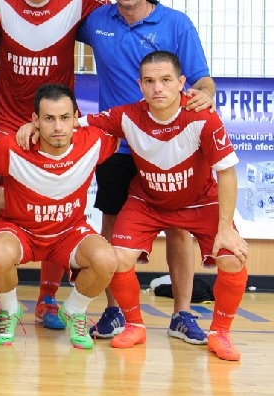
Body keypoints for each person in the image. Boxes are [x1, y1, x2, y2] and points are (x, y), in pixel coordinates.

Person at [77, 0, 217, 343]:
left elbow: (204, 80)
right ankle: (114, 311)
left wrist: (203, 97)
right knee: (111, 225)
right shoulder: (97, 22)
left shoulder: (176, 23)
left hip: (169, 147)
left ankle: (182, 314)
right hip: (120, 146)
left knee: (177, 228)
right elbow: (48, 17)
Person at [79, 52, 247, 361]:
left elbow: (227, 172)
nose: (158, 88)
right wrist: (34, 128)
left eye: (166, 80)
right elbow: (73, 124)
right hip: (147, 201)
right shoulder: (126, 115)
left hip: (199, 201)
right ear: (140, 85)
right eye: (150, 81)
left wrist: (226, 229)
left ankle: (220, 333)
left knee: (232, 258)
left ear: (182, 83)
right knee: (118, 258)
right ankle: (134, 325)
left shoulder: (203, 117)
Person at [0, 0, 109, 331]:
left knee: (59, 200)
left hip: (57, 121)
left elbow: (117, 13)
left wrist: (44, 123)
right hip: (8, 119)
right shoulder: (0, 1)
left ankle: (49, 300)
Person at [0, 84, 120, 349]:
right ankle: (9, 311)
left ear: (76, 118)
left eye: (64, 118)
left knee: (107, 259)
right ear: (35, 120)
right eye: (49, 118)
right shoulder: (11, 147)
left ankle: (74, 310)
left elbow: (130, 124)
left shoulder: (95, 142)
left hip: (68, 233)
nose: (58, 127)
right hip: (20, 231)